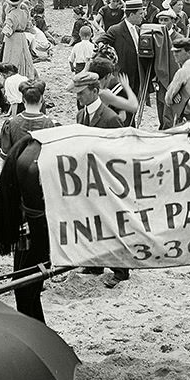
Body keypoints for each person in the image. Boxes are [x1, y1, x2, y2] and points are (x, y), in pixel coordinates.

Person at [71, 70, 130, 289]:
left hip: (107, 180)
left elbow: (119, 154)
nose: (78, 97)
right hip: (88, 178)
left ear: (96, 91)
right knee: (91, 222)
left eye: (82, 93)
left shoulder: (110, 118)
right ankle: (95, 264)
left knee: (111, 223)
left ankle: (120, 270)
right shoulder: (80, 115)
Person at [95, 0, 144, 123]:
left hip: (136, 76)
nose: (143, 16)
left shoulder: (138, 30)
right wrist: (111, 59)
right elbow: (99, 42)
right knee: (122, 108)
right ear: (131, 14)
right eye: (140, 13)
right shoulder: (116, 30)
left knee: (133, 107)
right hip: (121, 77)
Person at [0, 79, 59, 159]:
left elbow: (5, 156)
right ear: (42, 99)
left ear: (23, 99)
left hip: (18, 168)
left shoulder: (10, 123)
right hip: (41, 169)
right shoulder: (52, 124)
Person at [0, 0, 37, 79]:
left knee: (12, 57)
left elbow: (7, 32)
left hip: (13, 37)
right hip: (22, 36)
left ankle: (12, 76)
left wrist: (3, 28)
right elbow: (29, 27)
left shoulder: (11, 15)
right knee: (23, 56)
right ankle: (24, 74)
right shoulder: (24, 13)